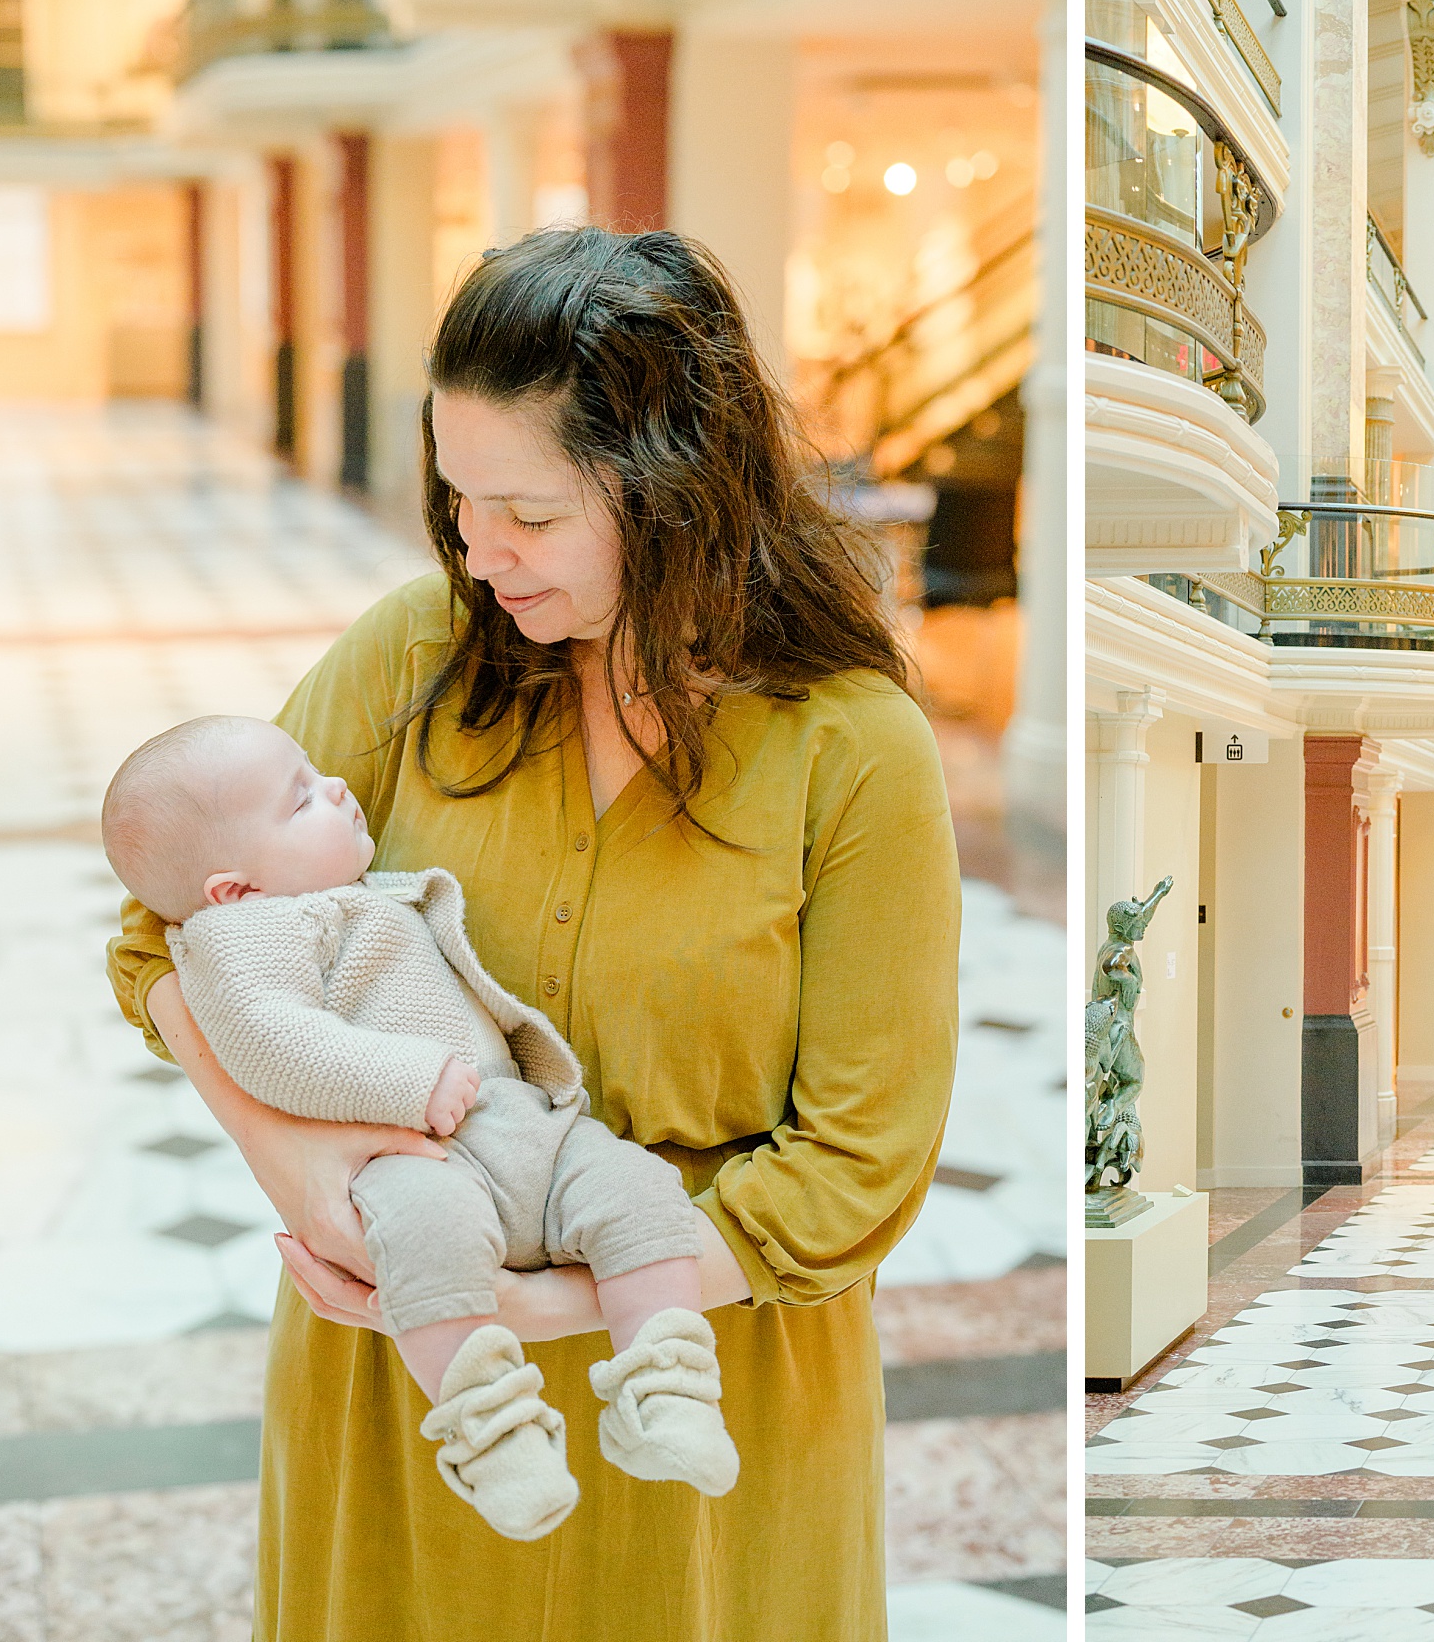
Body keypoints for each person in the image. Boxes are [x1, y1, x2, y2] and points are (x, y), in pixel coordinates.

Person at [107, 227, 959, 1639]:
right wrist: (314, 1178)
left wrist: (559, 1303)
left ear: (676, 492)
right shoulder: (410, 659)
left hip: (706, 1404)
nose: (478, 551)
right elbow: (165, 938)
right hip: (410, 1395)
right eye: (457, 502)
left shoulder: (853, 751)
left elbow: (858, 1169)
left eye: (532, 514)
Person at [102, 715, 738, 1542]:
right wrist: (410, 1082)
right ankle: (492, 1434)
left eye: (317, 772)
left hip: (518, 1125)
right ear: (236, 889)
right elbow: (271, 1041)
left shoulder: (341, 898)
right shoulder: (240, 936)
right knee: (427, 1251)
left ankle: (669, 1386)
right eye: (301, 803)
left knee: (641, 1193)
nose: (335, 787)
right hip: (412, 1153)